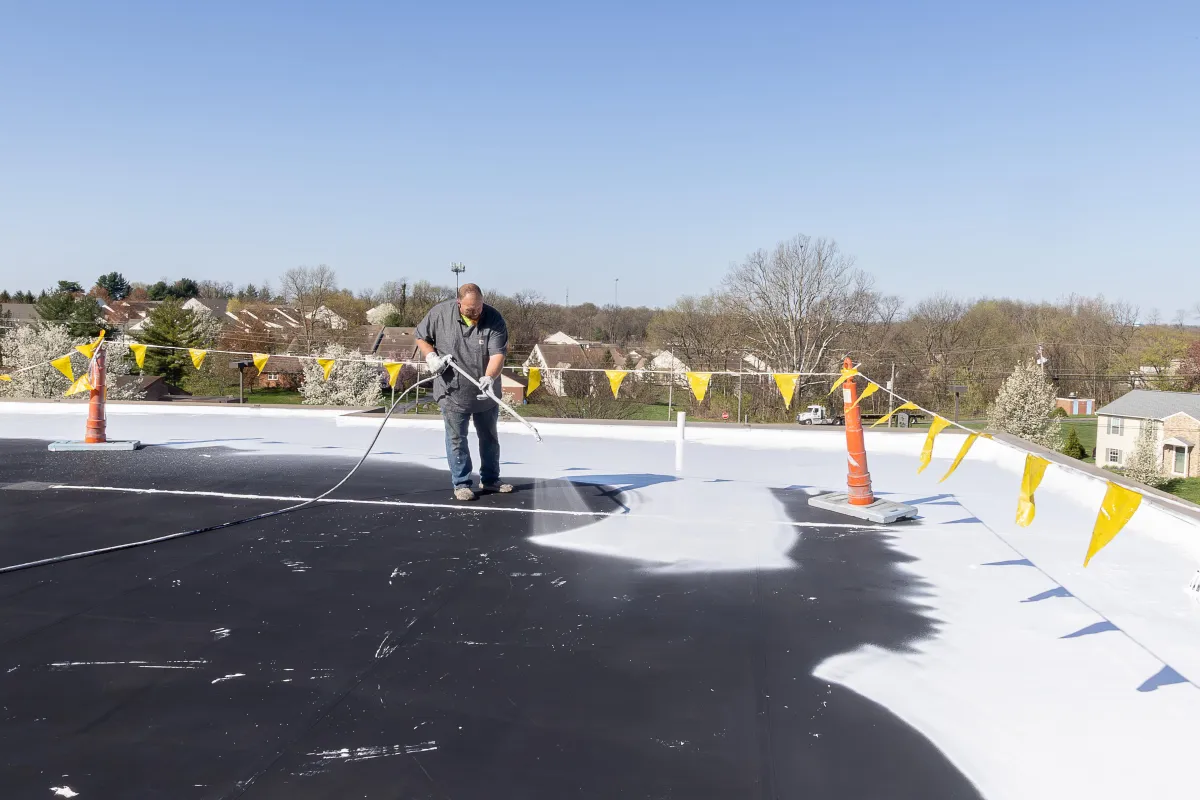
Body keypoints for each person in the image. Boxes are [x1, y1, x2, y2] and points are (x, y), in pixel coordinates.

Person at [414, 283, 514, 501]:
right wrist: (431, 356)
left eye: (479, 307)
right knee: (457, 438)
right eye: (470, 309)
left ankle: (490, 479)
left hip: (485, 393)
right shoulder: (439, 314)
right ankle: (461, 483)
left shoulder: (494, 319)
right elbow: (421, 337)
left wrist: (489, 377)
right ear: (459, 303)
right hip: (452, 392)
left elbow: (497, 354)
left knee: (489, 437)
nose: (476, 312)